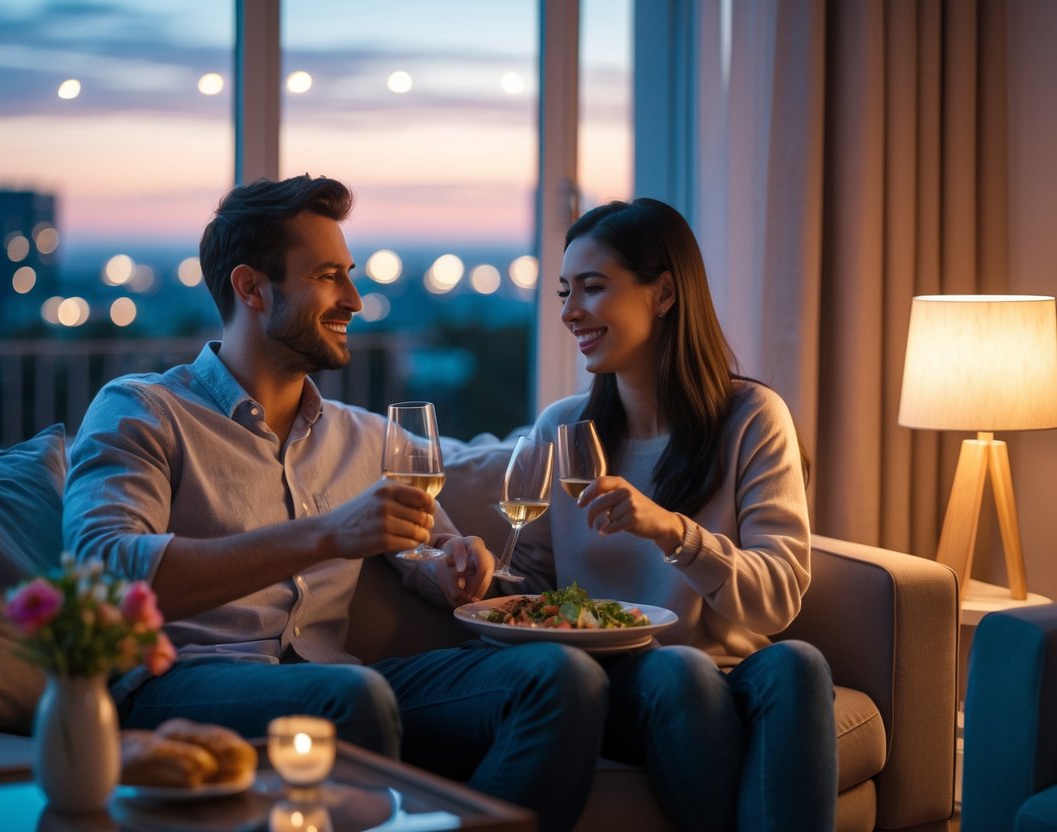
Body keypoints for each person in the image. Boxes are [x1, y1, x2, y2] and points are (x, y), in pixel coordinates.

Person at [62, 174, 607, 831]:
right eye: (327, 276)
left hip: (341, 683)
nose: (353, 298)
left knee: (562, 679)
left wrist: (455, 568)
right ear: (251, 288)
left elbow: (434, 558)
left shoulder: (368, 436)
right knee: (352, 694)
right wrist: (326, 534)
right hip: (176, 686)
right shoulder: (144, 410)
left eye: (347, 275)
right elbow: (106, 576)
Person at [509, 198, 838, 831]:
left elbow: (778, 602)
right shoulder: (562, 429)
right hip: (624, 688)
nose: (569, 311)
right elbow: (527, 592)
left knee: (799, 661)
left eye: (593, 288)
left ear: (663, 293)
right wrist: (476, 572)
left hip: (733, 679)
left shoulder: (751, 419)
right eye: (563, 292)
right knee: (676, 665)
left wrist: (671, 530)